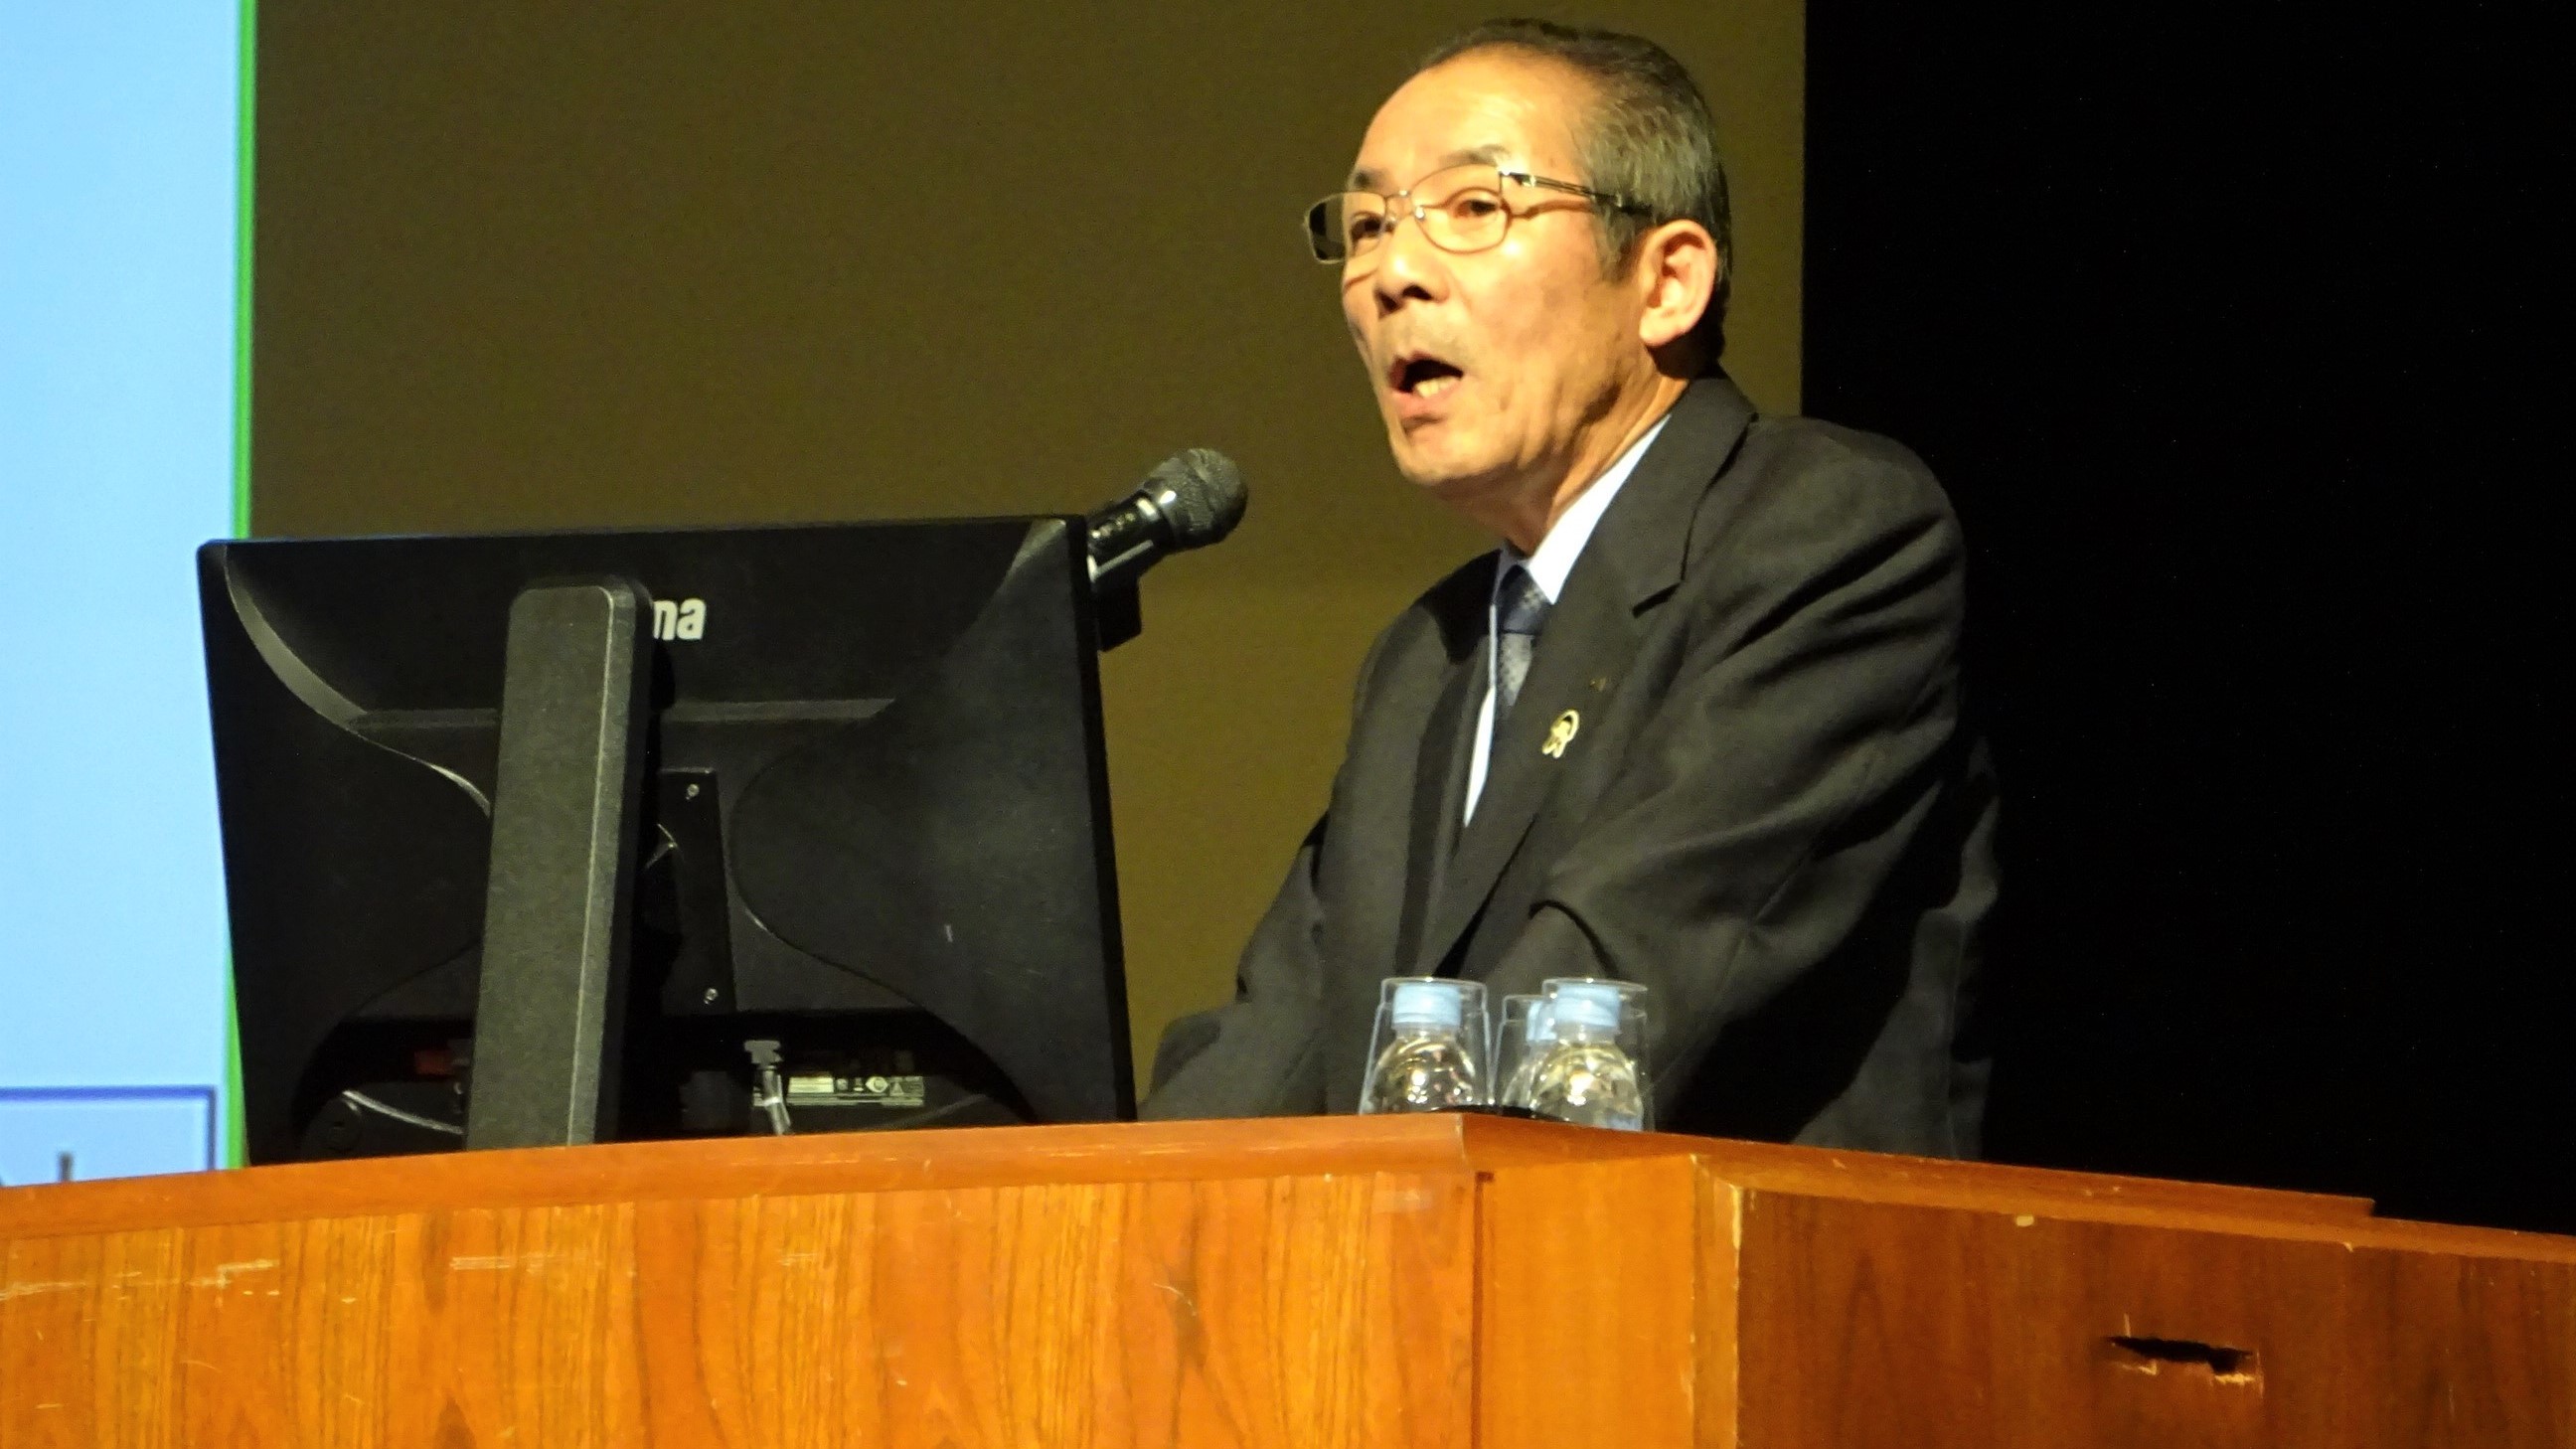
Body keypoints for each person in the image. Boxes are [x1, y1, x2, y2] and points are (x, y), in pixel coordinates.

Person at [1143, 19, 1998, 1155]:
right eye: (1367, 225)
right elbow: (1286, 1035)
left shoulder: (1828, 528)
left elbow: (1621, 979)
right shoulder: (1433, 650)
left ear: (1667, 282)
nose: (1389, 274)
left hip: (1741, 1257)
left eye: (1472, 207)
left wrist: (1386, 1189)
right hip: (1459, 1240)